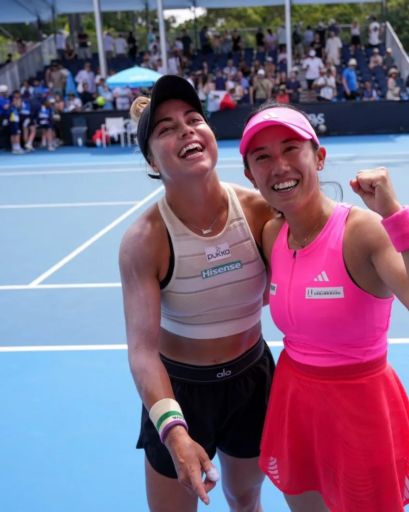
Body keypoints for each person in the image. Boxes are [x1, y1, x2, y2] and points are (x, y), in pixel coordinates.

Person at [239, 103, 409, 512]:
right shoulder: (272, 235)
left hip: (359, 411)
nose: (279, 166)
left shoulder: (362, 232)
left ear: (319, 157)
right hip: (295, 405)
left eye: (291, 149)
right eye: (263, 157)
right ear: (251, 175)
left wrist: (395, 216)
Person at [119, 75, 277, 512]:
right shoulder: (144, 241)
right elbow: (142, 351)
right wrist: (173, 431)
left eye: (193, 119)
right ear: (152, 161)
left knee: (246, 499)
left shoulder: (260, 212)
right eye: (166, 128)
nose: (186, 130)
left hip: (252, 380)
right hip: (179, 393)